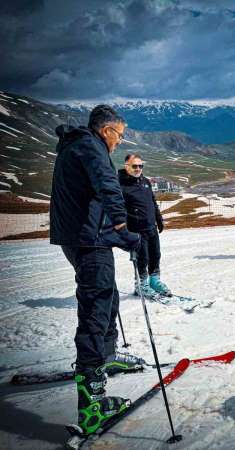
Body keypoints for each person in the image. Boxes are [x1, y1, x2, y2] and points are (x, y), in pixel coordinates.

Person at [50, 105, 143, 435]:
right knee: (95, 308)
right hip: (87, 240)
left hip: (83, 237)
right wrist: (121, 225)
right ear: (106, 131)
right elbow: (107, 184)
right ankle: (91, 401)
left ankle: (106, 355)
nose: (119, 142)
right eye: (119, 135)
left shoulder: (77, 145)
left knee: (108, 298)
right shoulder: (92, 147)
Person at [118, 154, 169, 299]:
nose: (138, 169)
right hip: (136, 229)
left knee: (155, 255)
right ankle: (141, 285)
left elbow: (152, 202)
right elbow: (117, 209)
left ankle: (154, 281)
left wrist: (159, 219)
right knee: (142, 258)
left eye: (141, 166)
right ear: (126, 166)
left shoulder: (145, 181)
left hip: (151, 227)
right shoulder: (120, 185)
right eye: (134, 166)